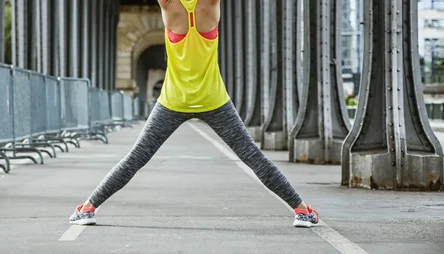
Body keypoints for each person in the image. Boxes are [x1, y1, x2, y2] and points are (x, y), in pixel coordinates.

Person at [69, 0, 319, 228]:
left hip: (173, 101)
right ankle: (302, 210)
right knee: (252, 156)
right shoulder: (210, 5)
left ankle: (89, 208)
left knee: (136, 158)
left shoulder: (168, 6)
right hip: (213, 99)